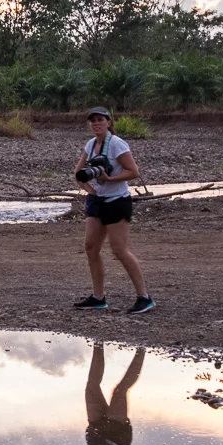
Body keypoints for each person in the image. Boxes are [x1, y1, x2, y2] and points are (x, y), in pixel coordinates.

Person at [74, 107, 154, 313]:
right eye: (92, 121)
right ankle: (98, 297)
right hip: (97, 201)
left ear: (109, 123)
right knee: (91, 247)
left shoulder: (117, 144)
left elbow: (133, 172)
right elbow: (78, 173)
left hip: (117, 200)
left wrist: (110, 179)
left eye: (100, 120)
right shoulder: (91, 144)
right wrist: (89, 188)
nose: (96, 124)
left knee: (119, 250)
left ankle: (144, 297)